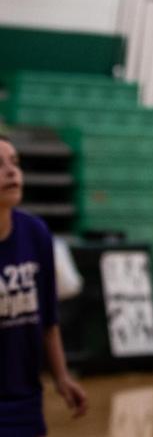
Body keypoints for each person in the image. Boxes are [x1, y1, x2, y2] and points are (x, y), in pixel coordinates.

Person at [0, 135, 88, 436]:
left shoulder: (35, 233)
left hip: (27, 401)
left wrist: (62, 377)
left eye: (15, 163)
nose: (11, 172)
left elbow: (48, 320)